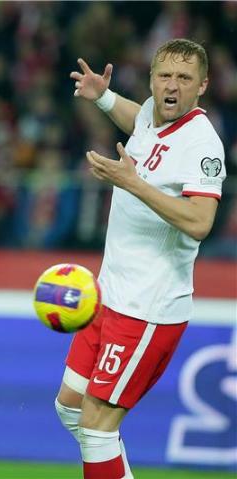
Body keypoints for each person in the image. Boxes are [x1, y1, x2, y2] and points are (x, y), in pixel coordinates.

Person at [56, 39, 226, 479]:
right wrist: (105, 98)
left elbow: (200, 222)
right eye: (164, 76)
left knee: (97, 430)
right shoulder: (152, 111)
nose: (172, 86)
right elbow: (141, 123)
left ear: (202, 86)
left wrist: (134, 184)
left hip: (147, 308)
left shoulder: (203, 145)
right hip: (108, 294)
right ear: (151, 79)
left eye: (184, 78)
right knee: (70, 407)